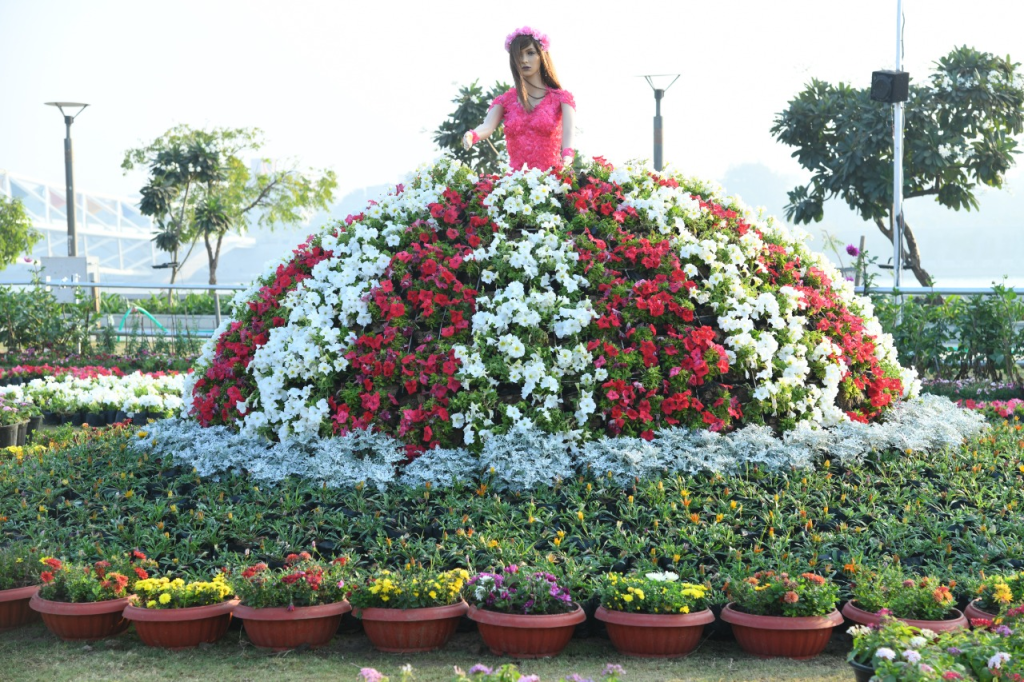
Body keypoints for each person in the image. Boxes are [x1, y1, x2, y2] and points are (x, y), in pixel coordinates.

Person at [462, 26, 576, 172]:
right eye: (518, 55)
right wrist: (472, 135)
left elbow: (569, 135)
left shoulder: (561, 99)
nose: (524, 60)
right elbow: (487, 126)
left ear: (542, 55)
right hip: (515, 186)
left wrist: (567, 160)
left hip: (550, 183)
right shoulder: (505, 101)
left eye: (530, 53)